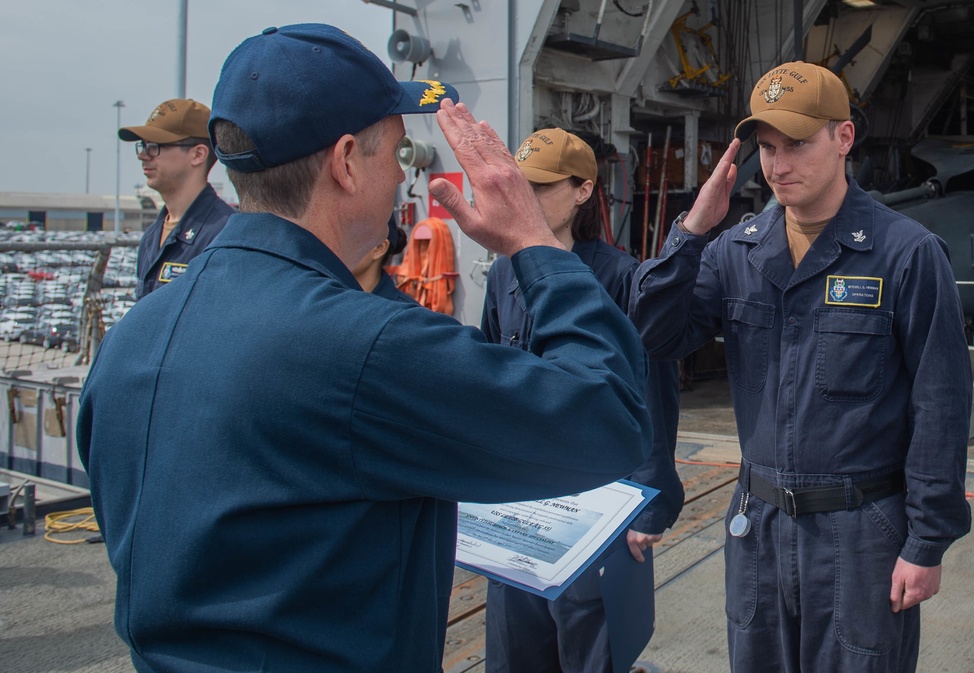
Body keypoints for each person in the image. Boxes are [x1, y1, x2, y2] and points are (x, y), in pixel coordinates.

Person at [78, 23, 653, 673]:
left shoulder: (131, 340)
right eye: (399, 154)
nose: (405, 183)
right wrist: (532, 243)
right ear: (347, 161)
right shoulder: (365, 351)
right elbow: (609, 418)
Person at [629, 61, 972, 673]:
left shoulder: (905, 253)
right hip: (757, 527)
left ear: (843, 138)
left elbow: (940, 403)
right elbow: (655, 338)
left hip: (861, 533)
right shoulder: (736, 250)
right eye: (766, 147)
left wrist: (926, 540)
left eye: (797, 144)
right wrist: (691, 231)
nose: (778, 165)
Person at [481, 128, 684, 673]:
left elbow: (651, 397)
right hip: (519, 506)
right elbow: (491, 382)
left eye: (541, 187)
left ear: (583, 190)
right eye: (519, 186)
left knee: (591, 655)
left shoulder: (621, 280)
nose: (525, 198)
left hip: (598, 511)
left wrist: (651, 503)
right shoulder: (504, 274)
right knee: (513, 654)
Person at [118, 98, 234, 299]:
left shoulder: (225, 234)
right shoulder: (151, 237)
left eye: (154, 146)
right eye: (143, 146)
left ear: (197, 154)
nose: (143, 155)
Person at [351, 214, 414, 301]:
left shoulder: (406, 313)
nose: (333, 246)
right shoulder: (328, 302)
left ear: (379, 248)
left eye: (349, 237)